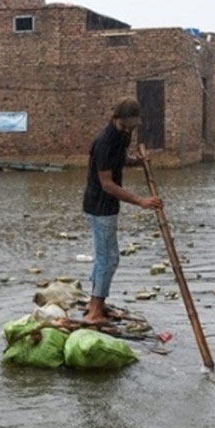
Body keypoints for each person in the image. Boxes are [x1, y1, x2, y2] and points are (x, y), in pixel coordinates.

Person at [82, 98, 163, 325]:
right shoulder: (105, 142)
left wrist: (136, 161)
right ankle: (94, 312)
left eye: (133, 125)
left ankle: (94, 302)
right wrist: (141, 201)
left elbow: (117, 161)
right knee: (109, 259)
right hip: (99, 206)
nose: (130, 129)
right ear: (117, 119)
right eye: (127, 124)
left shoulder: (122, 136)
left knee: (104, 257)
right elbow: (107, 183)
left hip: (108, 206)